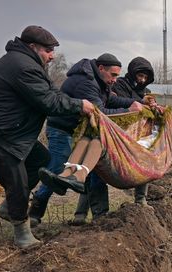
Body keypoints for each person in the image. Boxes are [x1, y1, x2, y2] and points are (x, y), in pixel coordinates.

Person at [0, 25, 95, 249]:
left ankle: (8, 207)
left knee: (40, 161)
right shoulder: (23, 66)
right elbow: (48, 102)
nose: (52, 55)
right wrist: (79, 105)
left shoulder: (30, 64)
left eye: (52, 50)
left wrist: (74, 103)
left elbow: (52, 93)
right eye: (48, 50)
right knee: (17, 177)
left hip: (11, 128)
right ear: (32, 47)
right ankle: (22, 233)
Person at [27, 53, 144, 226]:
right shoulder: (86, 82)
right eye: (113, 75)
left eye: (117, 76)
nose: (114, 80)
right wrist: (129, 112)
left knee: (94, 170)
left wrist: (133, 103)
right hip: (63, 129)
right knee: (57, 170)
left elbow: (111, 99)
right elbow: (99, 113)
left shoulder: (99, 81)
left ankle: (100, 214)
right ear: (101, 68)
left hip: (80, 132)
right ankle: (34, 212)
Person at [112, 57, 160, 206]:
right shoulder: (120, 84)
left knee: (144, 160)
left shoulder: (146, 91)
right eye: (140, 76)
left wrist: (154, 107)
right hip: (117, 133)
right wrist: (141, 101)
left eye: (145, 77)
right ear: (133, 73)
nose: (142, 80)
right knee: (98, 172)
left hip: (139, 134)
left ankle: (141, 199)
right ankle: (83, 212)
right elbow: (119, 101)